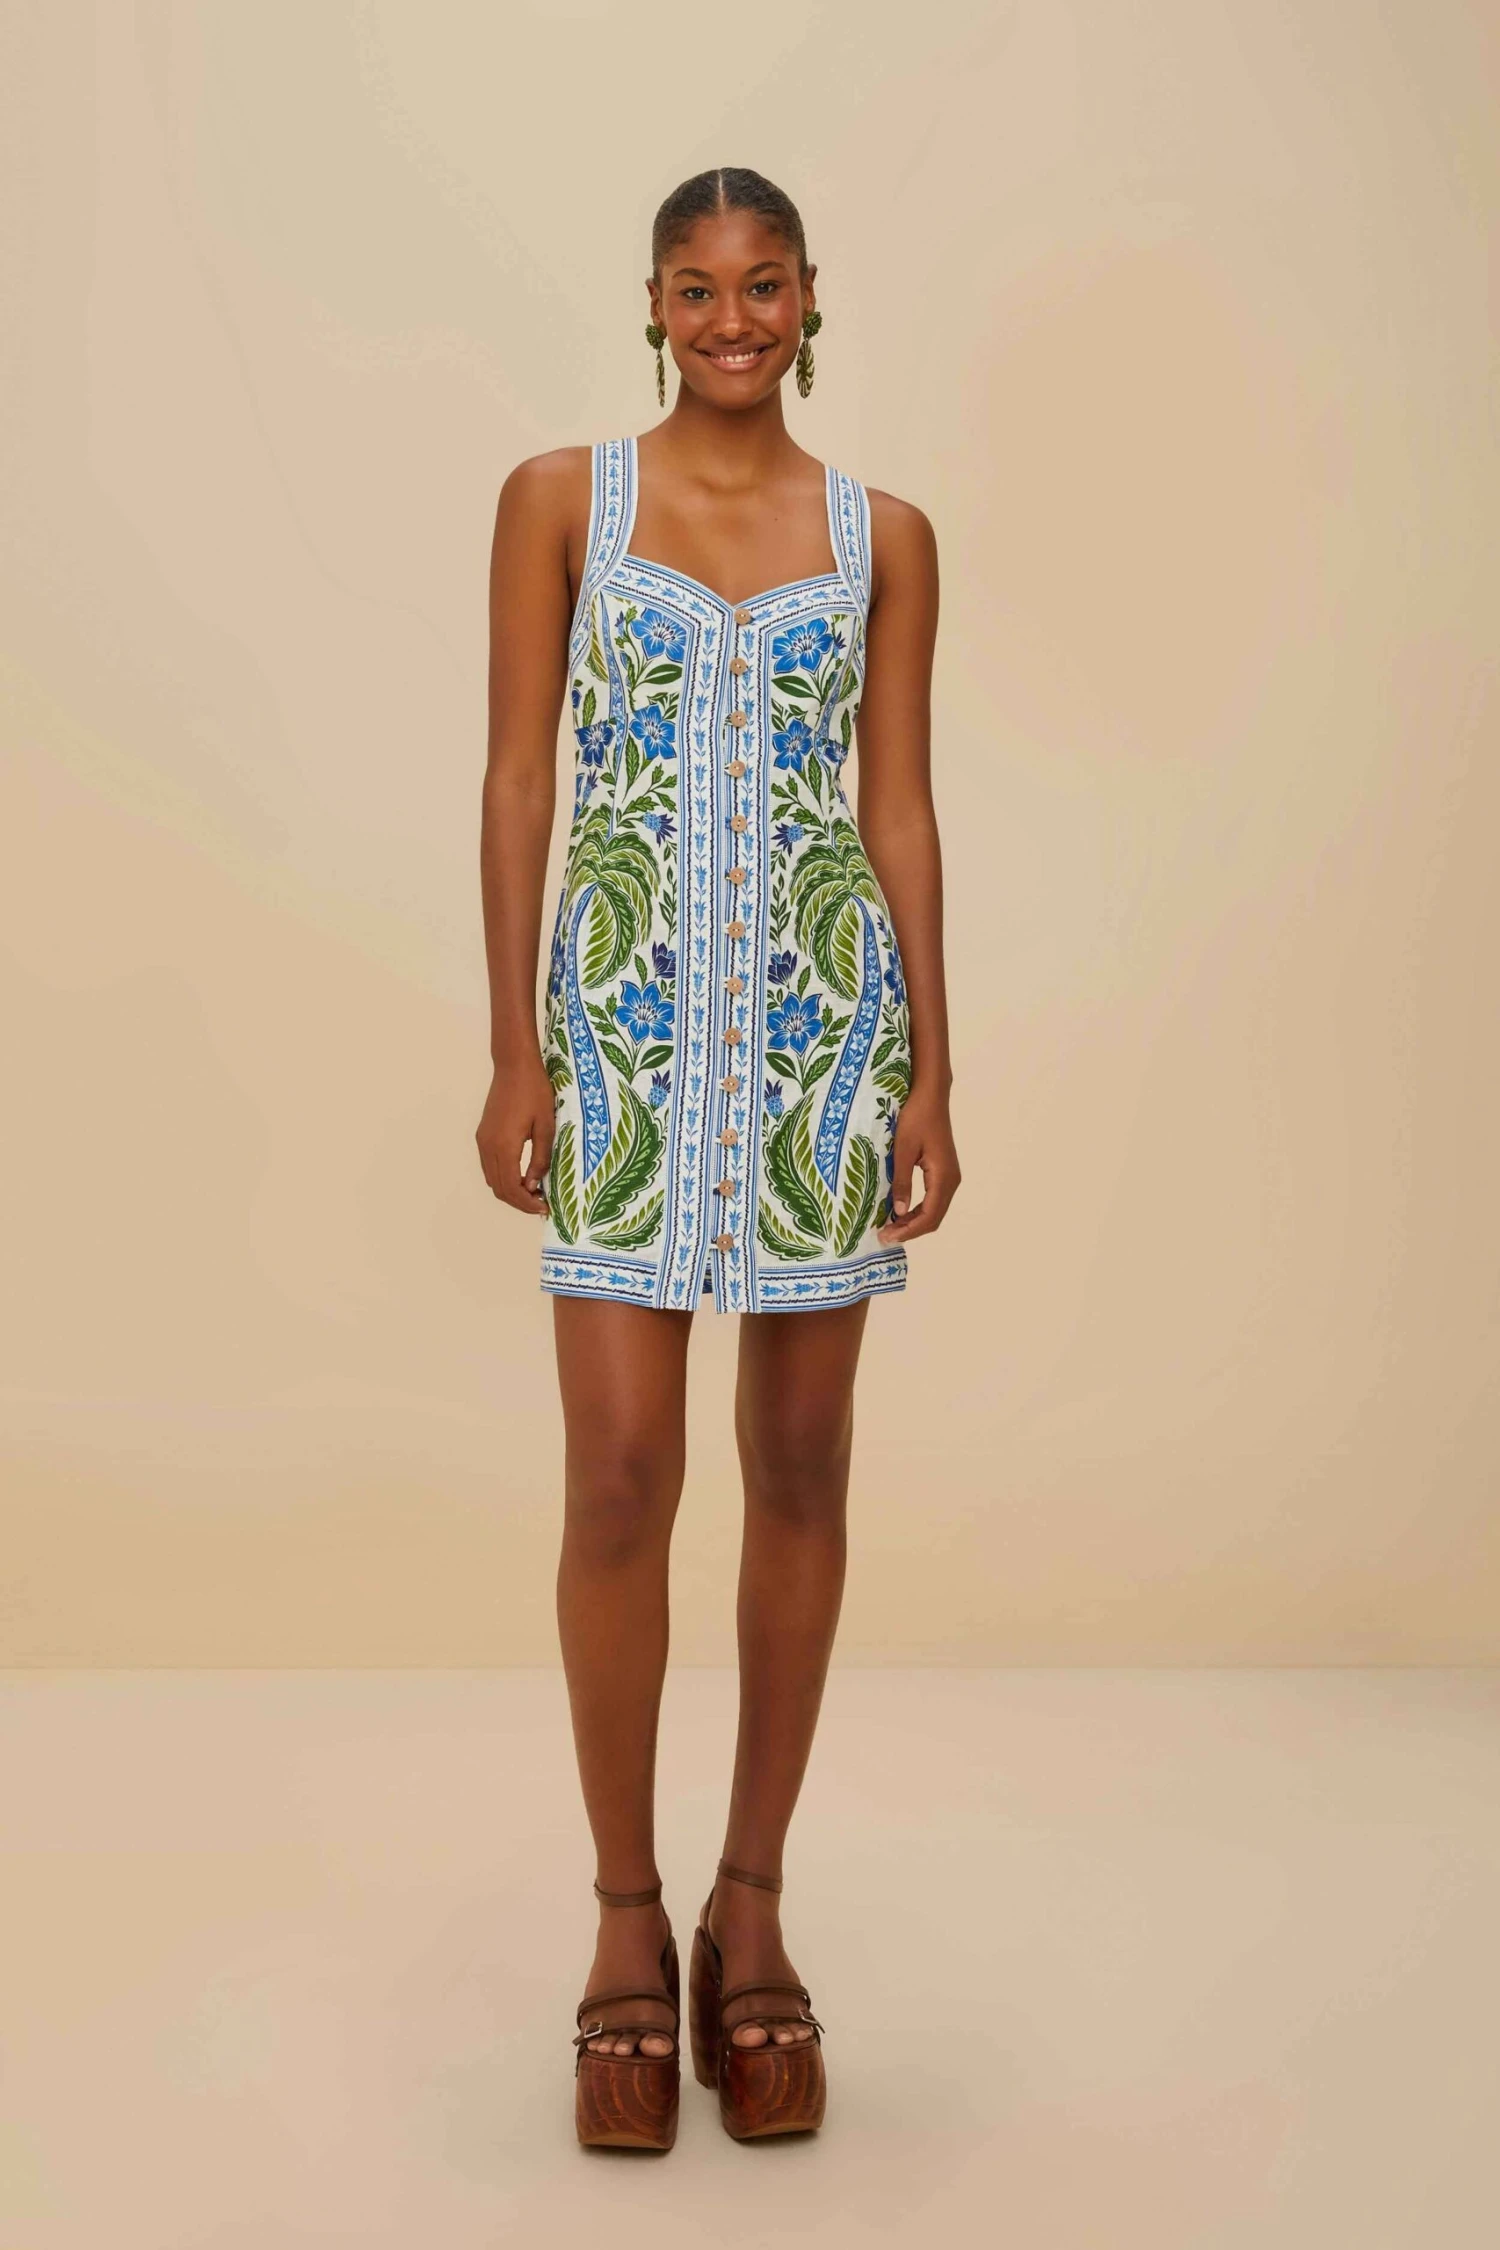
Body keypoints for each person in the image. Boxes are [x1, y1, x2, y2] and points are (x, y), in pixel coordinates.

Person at [476, 166, 959, 2148]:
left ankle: (751, 1912)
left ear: (812, 300)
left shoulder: (883, 536)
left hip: (823, 1044)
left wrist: (931, 1071)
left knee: (804, 1464)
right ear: (655, 305)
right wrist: (515, 1040)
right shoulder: (561, 502)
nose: (734, 319)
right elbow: (520, 771)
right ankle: (625, 1918)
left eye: (765, 286)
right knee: (617, 1473)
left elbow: (898, 808)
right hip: (618, 1029)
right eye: (698, 287)